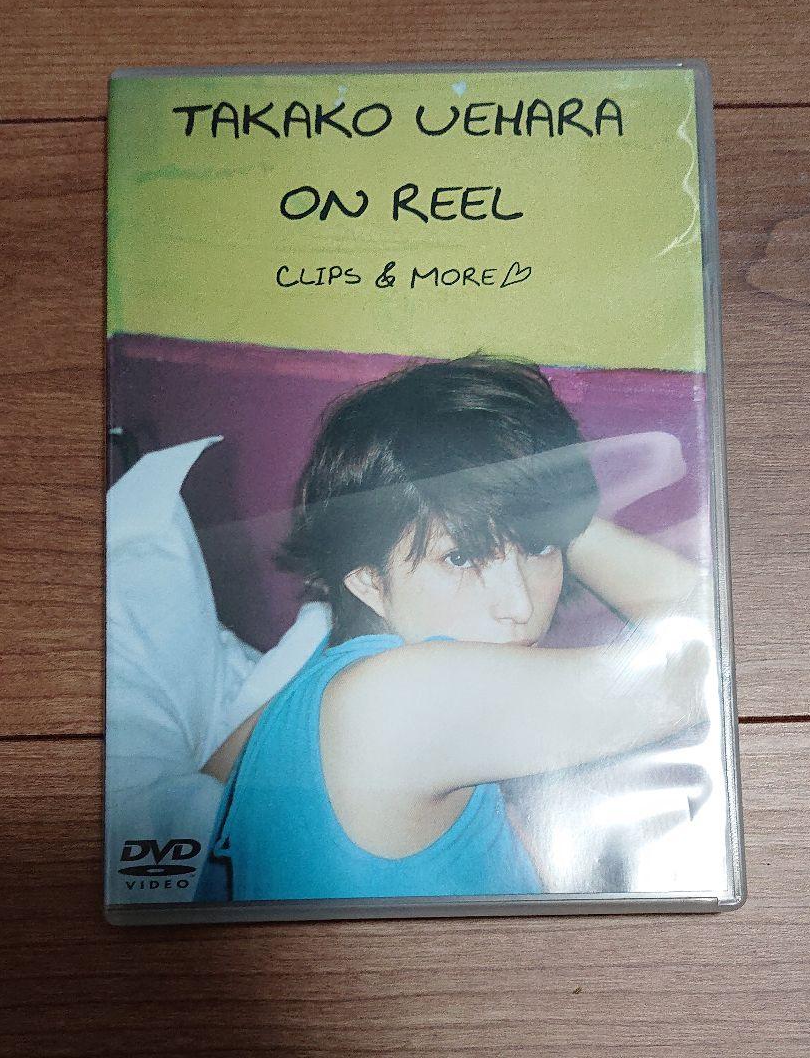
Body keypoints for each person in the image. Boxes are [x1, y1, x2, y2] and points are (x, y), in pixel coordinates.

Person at [195, 355, 708, 902]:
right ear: (369, 583)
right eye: (461, 558)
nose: (518, 605)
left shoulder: (331, 677)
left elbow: (208, 782)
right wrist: (543, 514)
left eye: (540, 549)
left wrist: (530, 509)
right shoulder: (405, 698)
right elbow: (716, 656)